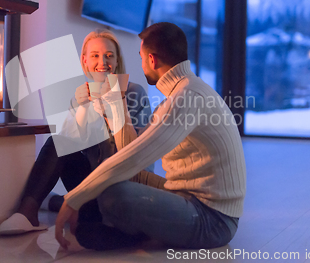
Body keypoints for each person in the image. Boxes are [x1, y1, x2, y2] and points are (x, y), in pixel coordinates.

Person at [55, 22, 247, 250]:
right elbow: (132, 150)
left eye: (141, 57)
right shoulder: (182, 92)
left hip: (213, 221)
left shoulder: (186, 98)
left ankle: (135, 237)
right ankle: (130, 230)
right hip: (187, 196)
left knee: (114, 195)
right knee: (113, 184)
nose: (142, 63)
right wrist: (115, 103)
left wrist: (73, 199)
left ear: (152, 60)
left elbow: (134, 158)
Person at [0, 29, 152, 234]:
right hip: (90, 183)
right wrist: (82, 107)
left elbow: (137, 152)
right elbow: (67, 144)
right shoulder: (81, 95)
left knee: (90, 223)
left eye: (109, 55)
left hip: (124, 184)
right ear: (85, 61)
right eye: (95, 55)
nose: (102, 61)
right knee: (59, 139)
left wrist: (116, 102)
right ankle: (28, 212)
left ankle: (57, 202)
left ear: (116, 62)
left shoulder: (134, 92)